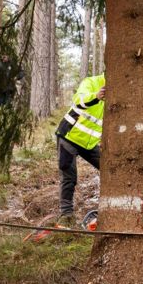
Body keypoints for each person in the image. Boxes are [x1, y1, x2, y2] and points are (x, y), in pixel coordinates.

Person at [54, 73, 105, 226]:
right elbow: (78, 99)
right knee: (69, 177)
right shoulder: (92, 82)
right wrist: (96, 95)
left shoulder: (121, 90)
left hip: (89, 144)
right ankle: (66, 215)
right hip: (69, 136)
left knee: (109, 169)